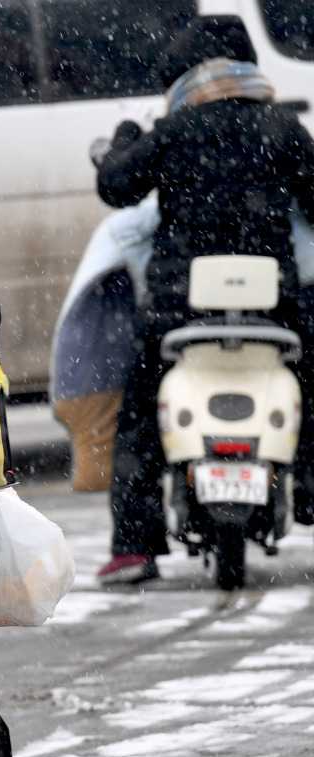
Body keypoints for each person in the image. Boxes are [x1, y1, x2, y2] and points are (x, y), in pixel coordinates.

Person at [92, 15, 314, 585]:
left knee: (142, 412)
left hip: (179, 307)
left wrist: (124, 139)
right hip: (274, 305)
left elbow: (116, 186)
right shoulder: (281, 127)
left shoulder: (174, 130)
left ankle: (135, 547)